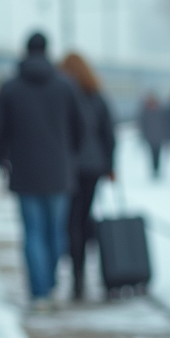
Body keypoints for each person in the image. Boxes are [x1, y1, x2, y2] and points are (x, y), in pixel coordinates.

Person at [0, 32, 83, 311]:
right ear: (48, 51)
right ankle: (53, 286)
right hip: (59, 173)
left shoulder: (10, 88)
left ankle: (38, 294)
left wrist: (1, 161)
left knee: (33, 233)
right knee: (56, 232)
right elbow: (80, 128)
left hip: (25, 173)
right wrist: (69, 157)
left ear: (24, 51)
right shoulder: (65, 86)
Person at [59, 52, 115, 301]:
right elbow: (108, 135)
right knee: (83, 217)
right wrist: (110, 166)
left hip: (67, 168)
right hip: (93, 167)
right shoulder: (97, 96)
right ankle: (82, 272)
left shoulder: (60, 96)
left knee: (71, 221)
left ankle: (77, 276)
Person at [139, 93, 166, 179]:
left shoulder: (160, 110)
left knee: (158, 154)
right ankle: (154, 169)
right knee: (152, 154)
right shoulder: (145, 111)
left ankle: (157, 169)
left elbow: (164, 123)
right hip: (150, 137)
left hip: (158, 137)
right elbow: (142, 125)